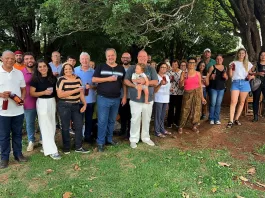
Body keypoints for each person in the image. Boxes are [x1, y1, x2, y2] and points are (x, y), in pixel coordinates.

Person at [92, 48, 126, 152]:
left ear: (115, 56)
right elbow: (94, 79)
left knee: (112, 120)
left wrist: (124, 96)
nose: (111, 57)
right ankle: (100, 142)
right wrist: (108, 79)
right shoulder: (101, 66)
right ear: (106, 57)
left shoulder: (120, 68)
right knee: (102, 121)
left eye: (112, 55)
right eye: (109, 55)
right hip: (103, 98)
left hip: (116, 98)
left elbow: (124, 83)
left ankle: (109, 139)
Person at [124, 50, 158, 149]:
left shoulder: (151, 69)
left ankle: (146, 138)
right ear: (137, 58)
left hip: (148, 99)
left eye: (145, 57)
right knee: (135, 119)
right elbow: (126, 80)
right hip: (135, 99)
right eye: (140, 56)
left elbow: (155, 82)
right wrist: (133, 85)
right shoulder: (132, 68)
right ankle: (134, 139)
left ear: (147, 58)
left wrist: (145, 81)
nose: (143, 58)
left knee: (146, 119)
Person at [0, 50, 27, 169]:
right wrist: (1, 94)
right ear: (1, 58)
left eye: (12, 58)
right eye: (7, 58)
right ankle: (4, 158)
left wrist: (22, 100)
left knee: (17, 134)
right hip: (3, 111)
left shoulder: (19, 73)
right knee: (4, 136)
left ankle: (18, 154)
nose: (10, 60)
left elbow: (23, 89)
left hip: (18, 110)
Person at [30, 60, 61, 160]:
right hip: (42, 102)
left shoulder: (52, 78)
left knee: (52, 125)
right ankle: (52, 151)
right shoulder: (35, 79)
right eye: (40, 67)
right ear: (37, 68)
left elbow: (56, 93)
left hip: (52, 102)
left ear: (48, 67)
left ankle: (46, 146)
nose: (42, 68)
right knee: (45, 125)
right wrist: (43, 92)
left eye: (44, 66)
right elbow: (32, 93)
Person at [57, 62, 88, 154]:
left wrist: (85, 104)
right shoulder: (61, 80)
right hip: (64, 105)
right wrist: (75, 90)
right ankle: (66, 148)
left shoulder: (78, 79)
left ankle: (78, 146)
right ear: (63, 70)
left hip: (76, 105)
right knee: (65, 127)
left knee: (79, 126)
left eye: (69, 68)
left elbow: (81, 93)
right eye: (66, 69)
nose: (68, 70)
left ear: (72, 69)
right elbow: (60, 94)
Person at [226, 48, 255, 128]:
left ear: (245, 54)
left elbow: (251, 74)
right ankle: (230, 121)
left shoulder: (248, 64)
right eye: (240, 53)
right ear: (237, 54)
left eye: (243, 53)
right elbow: (231, 76)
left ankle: (236, 119)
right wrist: (230, 69)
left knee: (242, 102)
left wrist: (251, 76)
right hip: (235, 83)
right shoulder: (233, 63)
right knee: (233, 101)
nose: (241, 54)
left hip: (245, 83)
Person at [178, 57, 206, 134]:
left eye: (193, 63)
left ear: (195, 64)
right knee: (185, 110)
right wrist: (183, 79)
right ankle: (181, 126)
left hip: (197, 93)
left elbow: (200, 86)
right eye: (190, 62)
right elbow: (180, 86)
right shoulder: (184, 73)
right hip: (187, 93)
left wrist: (202, 98)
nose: (191, 64)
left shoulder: (198, 73)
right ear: (187, 63)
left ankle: (194, 125)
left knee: (197, 110)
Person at [74, 52, 96, 143]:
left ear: (89, 60)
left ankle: (87, 137)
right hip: (78, 100)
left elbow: (98, 86)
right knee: (78, 121)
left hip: (90, 100)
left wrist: (91, 87)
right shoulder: (74, 70)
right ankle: (78, 138)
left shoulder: (94, 72)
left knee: (89, 120)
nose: (85, 61)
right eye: (83, 59)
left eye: (86, 59)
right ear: (80, 60)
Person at [21, 52, 39, 151]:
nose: (29, 60)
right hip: (28, 101)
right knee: (30, 123)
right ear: (24, 61)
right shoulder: (20, 73)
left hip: (41, 100)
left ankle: (42, 139)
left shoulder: (39, 70)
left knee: (42, 121)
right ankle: (31, 141)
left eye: (31, 58)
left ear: (34, 60)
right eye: (27, 59)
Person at [206, 55, 228, 125]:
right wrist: (211, 78)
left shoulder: (225, 68)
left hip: (221, 88)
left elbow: (226, 78)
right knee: (213, 103)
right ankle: (211, 118)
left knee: (218, 104)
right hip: (213, 88)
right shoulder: (212, 67)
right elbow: (207, 77)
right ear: (215, 60)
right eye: (217, 59)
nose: (219, 60)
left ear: (222, 59)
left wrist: (225, 77)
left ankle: (217, 119)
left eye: (220, 59)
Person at [154, 62, 171, 137]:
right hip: (158, 98)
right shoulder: (156, 77)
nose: (164, 69)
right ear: (158, 68)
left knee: (163, 116)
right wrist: (160, 84)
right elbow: (154, 90)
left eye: (165, 67)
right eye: (162, 67)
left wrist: (171, 89)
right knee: (158, 116)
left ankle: (162, 129)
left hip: (165, 99)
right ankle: (157, 131)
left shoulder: (167, 76)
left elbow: (167, 88)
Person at [166, 59, 184, 128]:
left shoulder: (181, 72)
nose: (174, 66)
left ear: (178, 64)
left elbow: (182, 82)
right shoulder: (168, 72)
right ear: (171, 65)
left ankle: (176, 121)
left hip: (179, 92)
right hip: (171, 92)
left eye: (176, 64)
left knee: (178, 108)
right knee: (171, 107)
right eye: (173, 64)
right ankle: (169, 122)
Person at [118, 52, 131, 138]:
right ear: (121, 58)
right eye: (123, 57)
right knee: (122, 114)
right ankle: (122, 130)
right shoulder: (118, 68)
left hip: (131, 95)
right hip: (119, 95)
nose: (125, 59)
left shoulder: (133, 68)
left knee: (130, 115)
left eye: (127, 57)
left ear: (130, 58)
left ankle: (130, 132)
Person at [252, 51, 265, 122]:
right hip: (258, 84)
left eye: (264, 55)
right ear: (259, 56)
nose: (263, 57)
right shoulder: (256, 64)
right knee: (256, 100)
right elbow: (250, 72)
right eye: (261, 55)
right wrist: (257, 73)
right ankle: (255, 116)